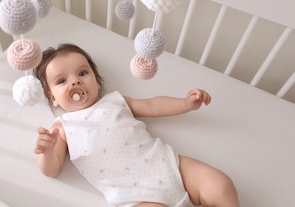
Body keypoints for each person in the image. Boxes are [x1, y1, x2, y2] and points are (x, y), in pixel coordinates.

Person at [34, 43, 239, 207]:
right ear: (53, 98)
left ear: (96, 81)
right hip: (136, 198)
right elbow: (51, 170)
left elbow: (152, 105)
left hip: (168, 165)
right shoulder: (63, 127)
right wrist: (47, 152)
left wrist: (184, 104)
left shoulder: (115, 101)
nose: (75, 83)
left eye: (82, 73)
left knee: (220, 184)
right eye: (61, 81)